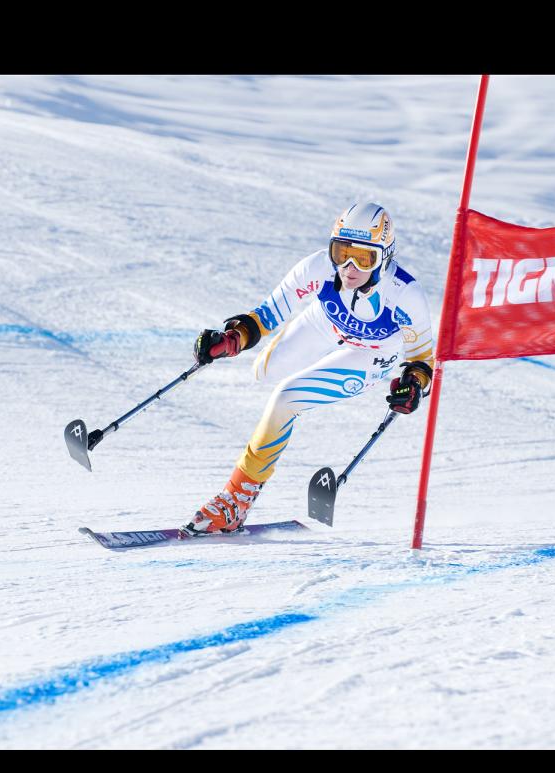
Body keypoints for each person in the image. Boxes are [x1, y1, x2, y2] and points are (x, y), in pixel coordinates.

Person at [185, 202, 436, 535]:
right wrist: (236, 336)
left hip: (374, 352)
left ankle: (236, 499)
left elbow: (422, 359)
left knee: (284, 399)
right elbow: (268, 313)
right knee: (263, 372)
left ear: (384, 258)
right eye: (341, 251)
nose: (348, 267)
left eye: (363, 258)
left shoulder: (405, 295)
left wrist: (413, 384)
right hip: (325, 323)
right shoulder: (317, 268)